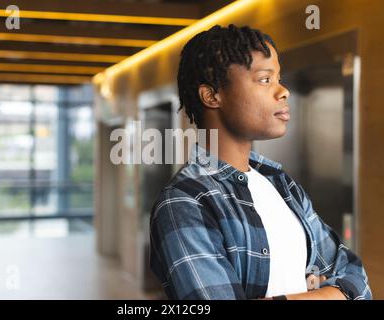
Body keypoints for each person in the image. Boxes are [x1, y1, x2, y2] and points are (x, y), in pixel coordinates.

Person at [149, 24, 371, 300]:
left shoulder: (280, 183)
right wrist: (328, 293)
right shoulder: (185, 202)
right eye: (265, 79)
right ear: (212, 95)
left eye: (278, 78)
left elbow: (357, 279)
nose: (283, 91)